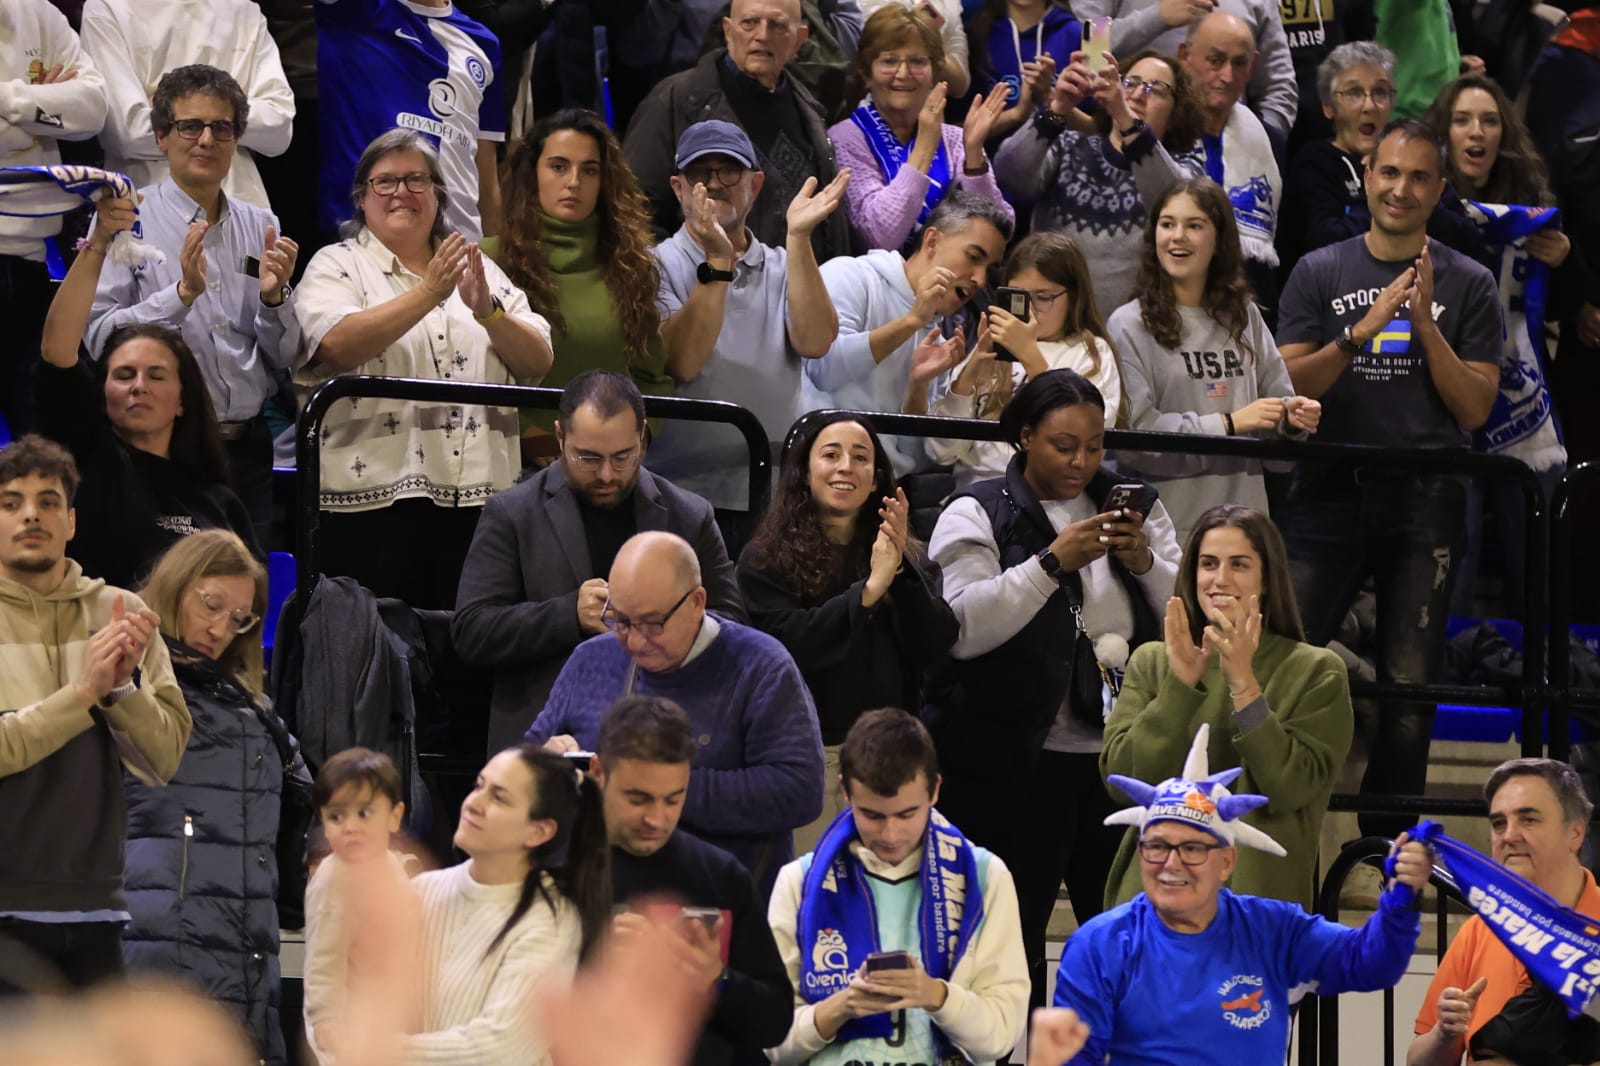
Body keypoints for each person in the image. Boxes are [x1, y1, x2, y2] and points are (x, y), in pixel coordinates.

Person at [1275, 119, 1504, 837]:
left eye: (1417, 177)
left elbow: (1473, 407)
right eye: (1388, 173)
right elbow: (1286, 383)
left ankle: (1383, 859)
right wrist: (1359, 331)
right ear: (1368, 177)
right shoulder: (1318, 269)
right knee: (1286, 668)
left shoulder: (1469, 284)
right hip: (1326, 490)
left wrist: (1425, 326)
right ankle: (1280, 839)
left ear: (1438, 189)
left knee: (1409, 694)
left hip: (1426, 498)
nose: (1400, 189)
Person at [925, 368, 1181, 1005]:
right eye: (1063, 445)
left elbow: (1187, 614)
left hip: (1118, 764)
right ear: (1023, 438)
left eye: (1094, 445)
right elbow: (960, 628)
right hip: (1012, 762)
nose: (1081, 460)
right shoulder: (975, 508)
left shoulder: (1139, 505)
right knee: (1006, 950)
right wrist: (1048, 566)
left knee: (1121, 946)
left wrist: (1143, 562)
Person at [1053, 725, 1433, 1064]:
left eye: (1192, 848)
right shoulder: (1099, 944)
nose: (1171, 863)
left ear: (1227, 861)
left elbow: (1371, 964)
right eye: (1157, 846)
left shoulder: (1273, 930)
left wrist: (1400, 900)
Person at [293, 129, 554, 609]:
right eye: (385, 182)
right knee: (380, 659)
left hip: (482, 500)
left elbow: (539, 358)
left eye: (417, 180)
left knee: (469, 650)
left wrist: (489, 313)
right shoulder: (337, 264)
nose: (402, 192)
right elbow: (333, 344)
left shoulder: (480, 268)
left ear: (437, 196)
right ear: (361, 199)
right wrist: (429, 293)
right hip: (371, 503)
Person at [453, 371, 746, 753]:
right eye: (588, 457)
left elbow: (735, 625)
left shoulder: (690, 515)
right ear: (560, 438)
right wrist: (568, 615)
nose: (607, 474)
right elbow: (472, 631)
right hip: (546, 745)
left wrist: (670, 621)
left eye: (622, 457)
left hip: (665, 740)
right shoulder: (511, 513)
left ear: (641, 438)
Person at [527, 530, 824, 896]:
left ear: (697, 602)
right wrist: (544, 766)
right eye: (619, 620)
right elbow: (527, 760)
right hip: (597, 902)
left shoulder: (761, 667)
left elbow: (800, 791)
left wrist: (650, 792)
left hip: (719, 908)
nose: (634, 640)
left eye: (652, 624)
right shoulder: (590, 659)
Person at [0, 434, 189, 992]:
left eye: (49, 501)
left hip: (97, 911)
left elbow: (164, 761)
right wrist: (85, 690)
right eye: (11, 503)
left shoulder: (122, 613)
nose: (32, 515)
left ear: (72, 521)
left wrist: (123, 688)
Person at [85, 64, 301, 547]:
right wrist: (180, 296)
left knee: (248, 604)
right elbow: (99, 338)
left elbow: (285, 357)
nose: (206, 139)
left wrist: (274, 300)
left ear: (235, 139)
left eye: (221, 127)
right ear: (162, 136)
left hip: (246, 449)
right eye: (190, 126)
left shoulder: (262, 224)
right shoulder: (126, 219)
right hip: (161, 448)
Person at [1101, 504, 1352, 911]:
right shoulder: (1153, 661)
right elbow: (1124, 780)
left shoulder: (1316, 671)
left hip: (1259, 916)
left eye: (1239, 565)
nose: (1220, 579)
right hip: (1151, 911)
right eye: (1208, 564)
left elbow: (1289, 788)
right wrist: (1181, 687)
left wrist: (1245, 686)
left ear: (1267, 578)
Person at [121, 529, 309, 1066]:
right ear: (176, 588)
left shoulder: (257, 713)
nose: (220, 627)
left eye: (240, 618)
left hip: (246, 958)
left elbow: (304, 807)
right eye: (211, 604)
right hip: (153, 956)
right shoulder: (121, 686)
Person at [309, 744, 612, 1064]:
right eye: (479, 786)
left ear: (539, 831)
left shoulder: (551, 920)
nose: (474, 803)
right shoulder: (421, 890)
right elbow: (344, 995)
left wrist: (379, 1050)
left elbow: (503, 1046)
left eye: (499, 797)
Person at [738, 413, 959, 845]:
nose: (846, 467)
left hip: (893, 752)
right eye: (831, 454)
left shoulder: (902, 555)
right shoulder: (764, 559)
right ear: (804, 472)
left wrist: (900, 573)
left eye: (861, 457)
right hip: (810, 753)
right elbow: (790, 649)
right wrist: (869, 591)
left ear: (876, 479)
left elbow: (936, 641)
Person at [765, 707, 1030, 1066]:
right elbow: (769, 1043)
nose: (890, 835)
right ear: (844, 790)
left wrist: (936, 995)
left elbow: (1001, 1036)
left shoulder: (985, 877)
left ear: (935, 789)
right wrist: (838, 1009)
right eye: (872, 815)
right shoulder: (799, 881)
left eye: (907, 814)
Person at [38, 190, 258, 591]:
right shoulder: (91, 464)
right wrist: (100, 241)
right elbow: (57, 349)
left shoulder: (219, 501)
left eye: (156, 376)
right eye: (124, 375)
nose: (139, 386)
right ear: (103, 393)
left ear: (181, 400)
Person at [1423, 73, 1583, 620]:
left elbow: (1568, 309)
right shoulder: (1425, 206)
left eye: (1489, 121)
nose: (1477, 132)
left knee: (1537, 562)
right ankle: (1449, 692)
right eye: (1463, 120)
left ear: (1503, 134)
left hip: (1525, 405)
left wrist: (1565, 262)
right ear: (1442, 134)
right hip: (1441, 409)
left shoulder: (1534, 210)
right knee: (1452, 568)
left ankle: (1540, 686)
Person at [647, 119, 848, 517]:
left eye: (730, 170)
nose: (716, 182)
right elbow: (682, 360)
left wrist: (800, 238)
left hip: (774, 492)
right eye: (701, 173)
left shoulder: (786, 262)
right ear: (678, 188)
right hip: (678, 493)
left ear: (754, 186)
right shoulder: (655, 264)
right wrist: (718, 263)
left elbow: (816, 341)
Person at [1109, 177, 1321, 543]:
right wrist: (1229, 423)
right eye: (1167, 224)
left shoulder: (1245, 316)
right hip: (1163, 536)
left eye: (1194, 226)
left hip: (1243, 531)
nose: (1178, 236)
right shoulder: (1127, 325)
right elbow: (1135, 441)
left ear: (1219, 239)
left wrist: (1291, 419)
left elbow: (1278, 442)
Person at [596, 694, 793, 1066]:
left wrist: (715, 980)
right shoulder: (555, 872)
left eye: (673, 799)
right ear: (597, 773)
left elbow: (776, 1022)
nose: (656, 818)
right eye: (638, 799)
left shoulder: (721, 875)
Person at [489, 109, 673, 461]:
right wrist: (534, 441)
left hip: (609, 471)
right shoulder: (488, 260)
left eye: (589, 170)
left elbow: (652, 379)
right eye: (558, 166)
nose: (574, 181)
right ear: (533, 174)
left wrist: (635, 441)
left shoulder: (630, 265)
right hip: (511, 464)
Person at [624, 0, 851, 262]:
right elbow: (634, 211)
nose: (762, 35)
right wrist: (680, 280)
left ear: (799, 39)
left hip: (802, 290)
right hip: (703, 290)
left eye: (777, 25)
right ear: (728, 30)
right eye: (749, 23)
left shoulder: (811, 108)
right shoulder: (677, 100)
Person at [1408, 758, 1600, 1066]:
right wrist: (1444, 1034)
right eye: (1499, 823)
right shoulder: (1478, 930)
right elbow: (1418, 1061)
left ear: (1575, 833)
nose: (1508, 835)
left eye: (1529, 820)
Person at [808, 191, 1011, 474]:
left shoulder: (938, 343)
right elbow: (823, 369)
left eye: (989, 269)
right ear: (932, 241)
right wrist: (911, 321)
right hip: (816, 477)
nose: (980, 279)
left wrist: (919, 385)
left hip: (884, 490)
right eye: (974, 256)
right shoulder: (851, 277)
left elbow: (912, 456)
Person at [994, 48, 1202, 315]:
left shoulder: (1185, 168)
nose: (1138, 94)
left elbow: (1174, 202)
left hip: (1127, 339)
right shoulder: (1070, 146)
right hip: (1041, 329)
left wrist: (1126, 117)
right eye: (1130, 83)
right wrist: (1058, 108)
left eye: (1157, 89)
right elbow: (1010, 176)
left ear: (1177, 112)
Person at [928, 230, 1121, 491]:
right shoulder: (992, 347)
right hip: (977, 491)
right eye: (1019, 298)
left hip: (1051, 498)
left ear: (1074, 297)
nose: (1029, 311)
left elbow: (1084, 439)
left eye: (1043, 298)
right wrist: (967, 379)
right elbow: (942, 452)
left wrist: (1030, 355)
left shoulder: (1091, 353)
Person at [314, 0, 505, 241]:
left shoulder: (485, 43)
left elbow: (485, 168)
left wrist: (494, 247)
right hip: (364, 234)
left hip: (460, 240)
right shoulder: (354, 10)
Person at [0, 0, 105, 436]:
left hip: (27, 260)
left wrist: (12, 100)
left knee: (42, 447)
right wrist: (44, 110)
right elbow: (69, 112)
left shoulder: (38, 12)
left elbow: (93, 108)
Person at [827, 6, 1012, 253]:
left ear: (934, 72)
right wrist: (925, 145)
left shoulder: (956, 140)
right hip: (878, 287)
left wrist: (974, 155)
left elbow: (1000, 231)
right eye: (889, 61)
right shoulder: (845, 138)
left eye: (917, 61)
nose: (903, 73)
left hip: (954, 283)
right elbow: (878, 239)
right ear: (866, 72)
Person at [79, 0, 293, 212]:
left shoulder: (245, 11)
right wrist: (230, 118)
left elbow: (279, 129)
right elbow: (128, 133)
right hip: (147, 210)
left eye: (220, 126)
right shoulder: (107, 7)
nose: (206, 139)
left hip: (243, 209)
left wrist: (170, 112)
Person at [302, 747, 418, 1066]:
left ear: (394, 816)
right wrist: (325, 1020)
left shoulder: (391, 866)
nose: (349, 826)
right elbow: (323, 959)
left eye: (364, 813)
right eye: (336, 816)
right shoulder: (333, 878)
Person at [1070, 0, 1298, 146]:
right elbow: (1087, 46)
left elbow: (1278, 85)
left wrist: (1264, 144)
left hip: (1230, 151)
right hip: (1130, 141)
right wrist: (1157, 17)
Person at [1177, 11, 1283, 317]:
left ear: (1252, 67)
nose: (1226, 76)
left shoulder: (1268, 142)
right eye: (1215, 60)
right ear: (1184, 56)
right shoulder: (1161, 135)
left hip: (1240, 311)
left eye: (1239, 63)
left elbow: (1268, 262)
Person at [963, 0, 1078, 146]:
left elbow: (1097, 130)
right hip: (989, 163)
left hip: (1065, 163)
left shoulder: (1075, 33)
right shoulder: (977, 34)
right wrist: (1017, 114)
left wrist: (1050, 98)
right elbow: (956, 132)